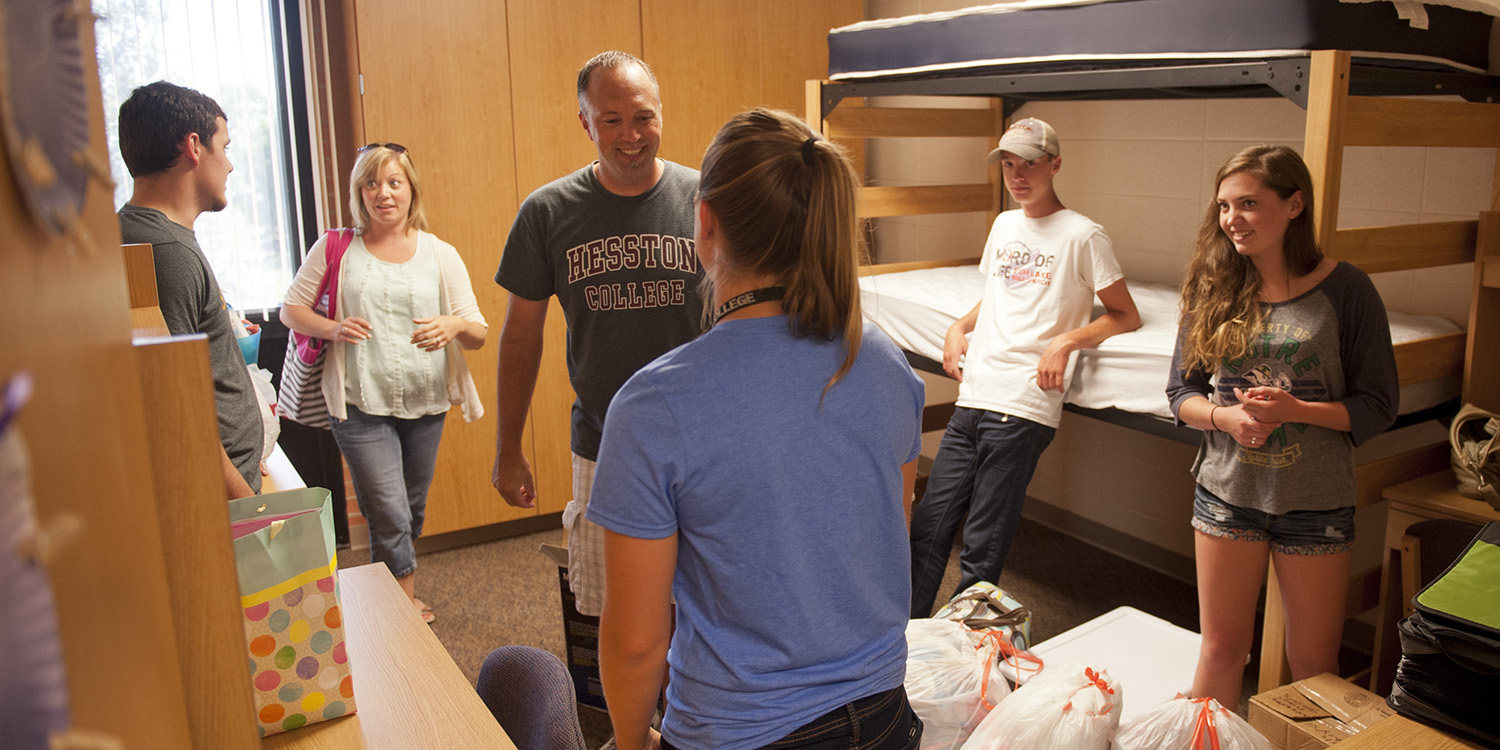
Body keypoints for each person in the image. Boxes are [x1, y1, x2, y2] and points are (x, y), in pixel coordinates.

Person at [591, 108, 926, 750]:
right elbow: (880, 542)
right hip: (884, 717)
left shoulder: (655, 405)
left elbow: (637, 644)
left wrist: (633, 742)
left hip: (740, 732)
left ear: (705, 220)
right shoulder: (884, 363)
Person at [1167, 145, 1397, 708]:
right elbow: (1181, 394)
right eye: (1224, 205)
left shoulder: (1347, 290)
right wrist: (1227, 417)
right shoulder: (1212, 287)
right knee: (1220, 652)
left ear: (1295, 204)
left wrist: (1295, 412)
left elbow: (1378, 405)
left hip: (1315, 504)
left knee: (1315, 667)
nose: (1231, 219)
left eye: (1248, 203)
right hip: (1227, 495)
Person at [492, 50, 703, 618]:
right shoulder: (547, 212)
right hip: (605, 446)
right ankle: (639, 713)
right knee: (618, 613)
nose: (631, 135)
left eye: (643, 117)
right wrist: (508, 450)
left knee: (708, 606)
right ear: (585, 122)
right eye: (611, 120)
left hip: (704, 444)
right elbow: (520, 337)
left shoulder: (707, 201)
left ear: (661, 113)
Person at [908, 117, 1141, 617]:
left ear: (1054, 164)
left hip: (1024, 403)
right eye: (1009, 164)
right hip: (976, 394)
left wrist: (1067, 342)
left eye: (1029, 164)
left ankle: (968, 653)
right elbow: (997, 296)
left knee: (982, 544)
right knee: (929, 523)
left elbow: (1126, 313)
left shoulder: (1083, 235)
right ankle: (907, 641)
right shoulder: (1004, 224)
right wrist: (957, 328)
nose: (1017, 175)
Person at [280, 143, 487, 623]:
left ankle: (385, 589)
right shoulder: (337, 247)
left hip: (426, 400)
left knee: (408, 510)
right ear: (359, 192)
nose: (383, 193)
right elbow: (292, 309)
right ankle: (402, 604)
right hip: (358, 402)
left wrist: (452, 326)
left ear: (411, 188)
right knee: (389, 509)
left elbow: (476, 331)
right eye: (371, 183)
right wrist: (332, 328)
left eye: (393, 182)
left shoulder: (440, 254)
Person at [116, 81, 264, 501]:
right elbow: (178, 405)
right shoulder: (167, 253)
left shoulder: (136, 230)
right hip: (216, 498)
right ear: (194, 147)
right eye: (226, 147)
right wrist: (246, 501)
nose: (231, 166)